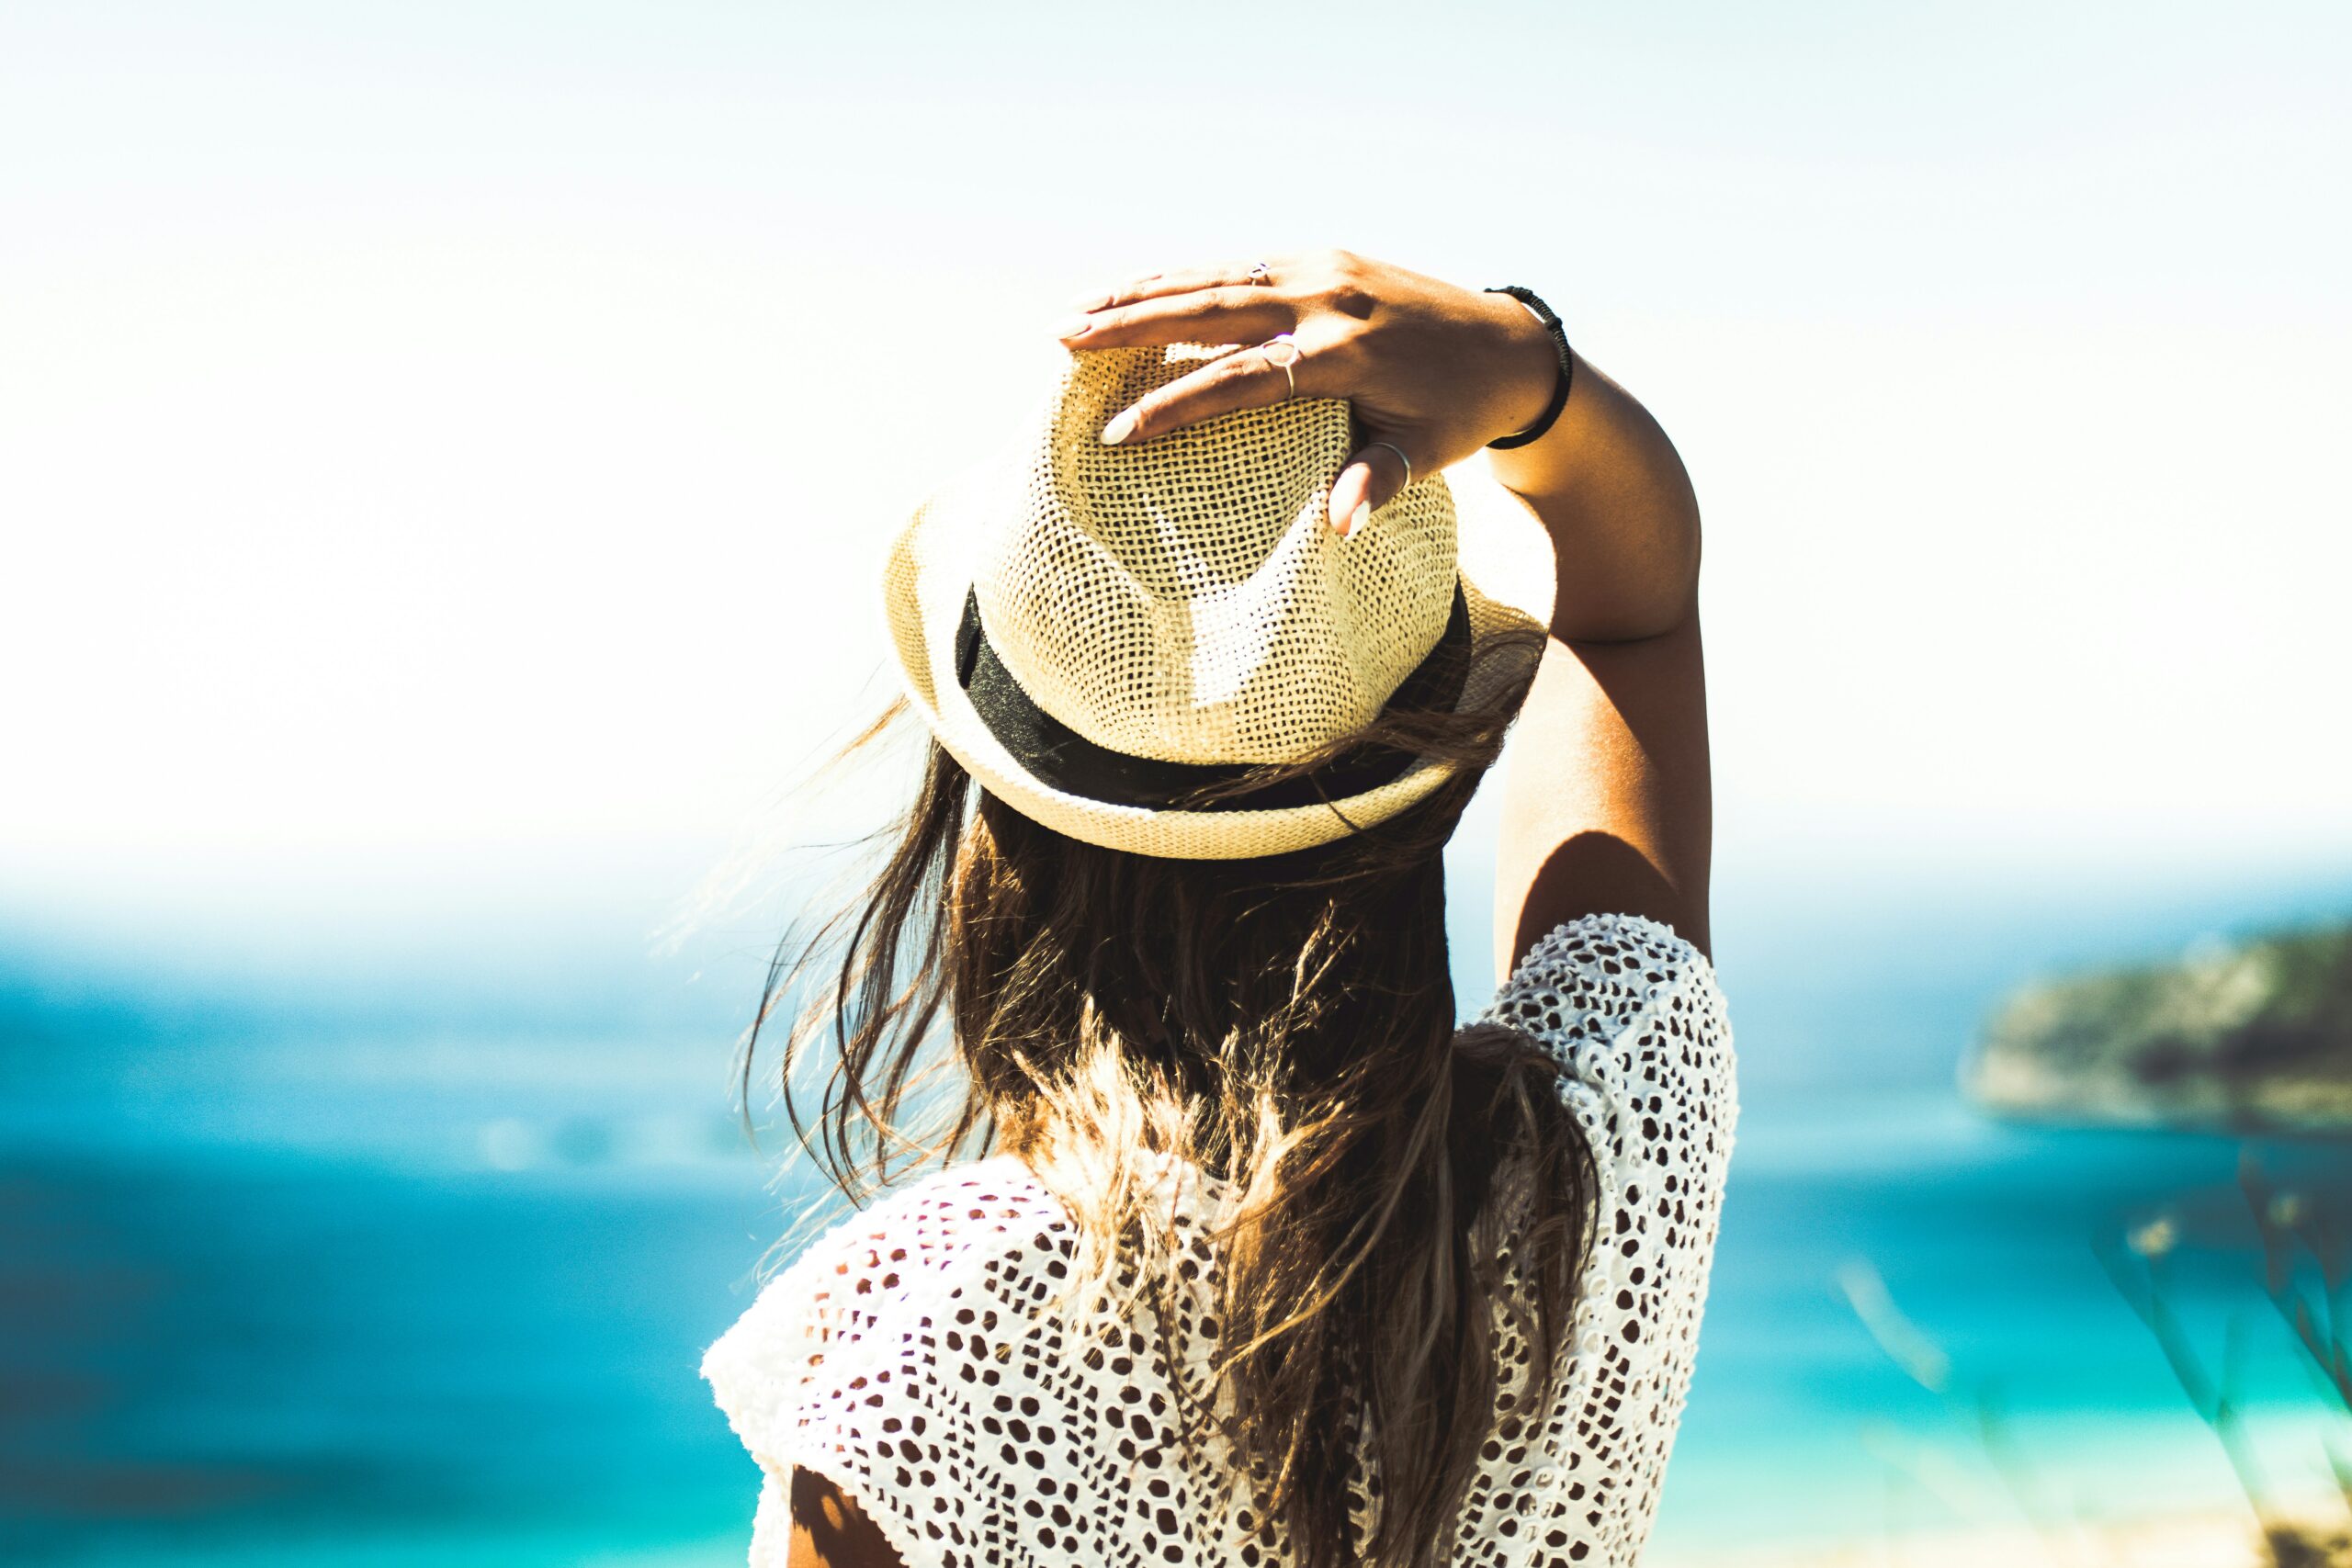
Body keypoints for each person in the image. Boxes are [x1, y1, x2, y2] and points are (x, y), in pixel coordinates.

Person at [702, 249, 1734, 1568]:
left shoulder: (926, 1341)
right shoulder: (1594, 1164)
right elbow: (1635, 616)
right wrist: (1532, 374)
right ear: (1420, 785)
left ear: (994, 824)